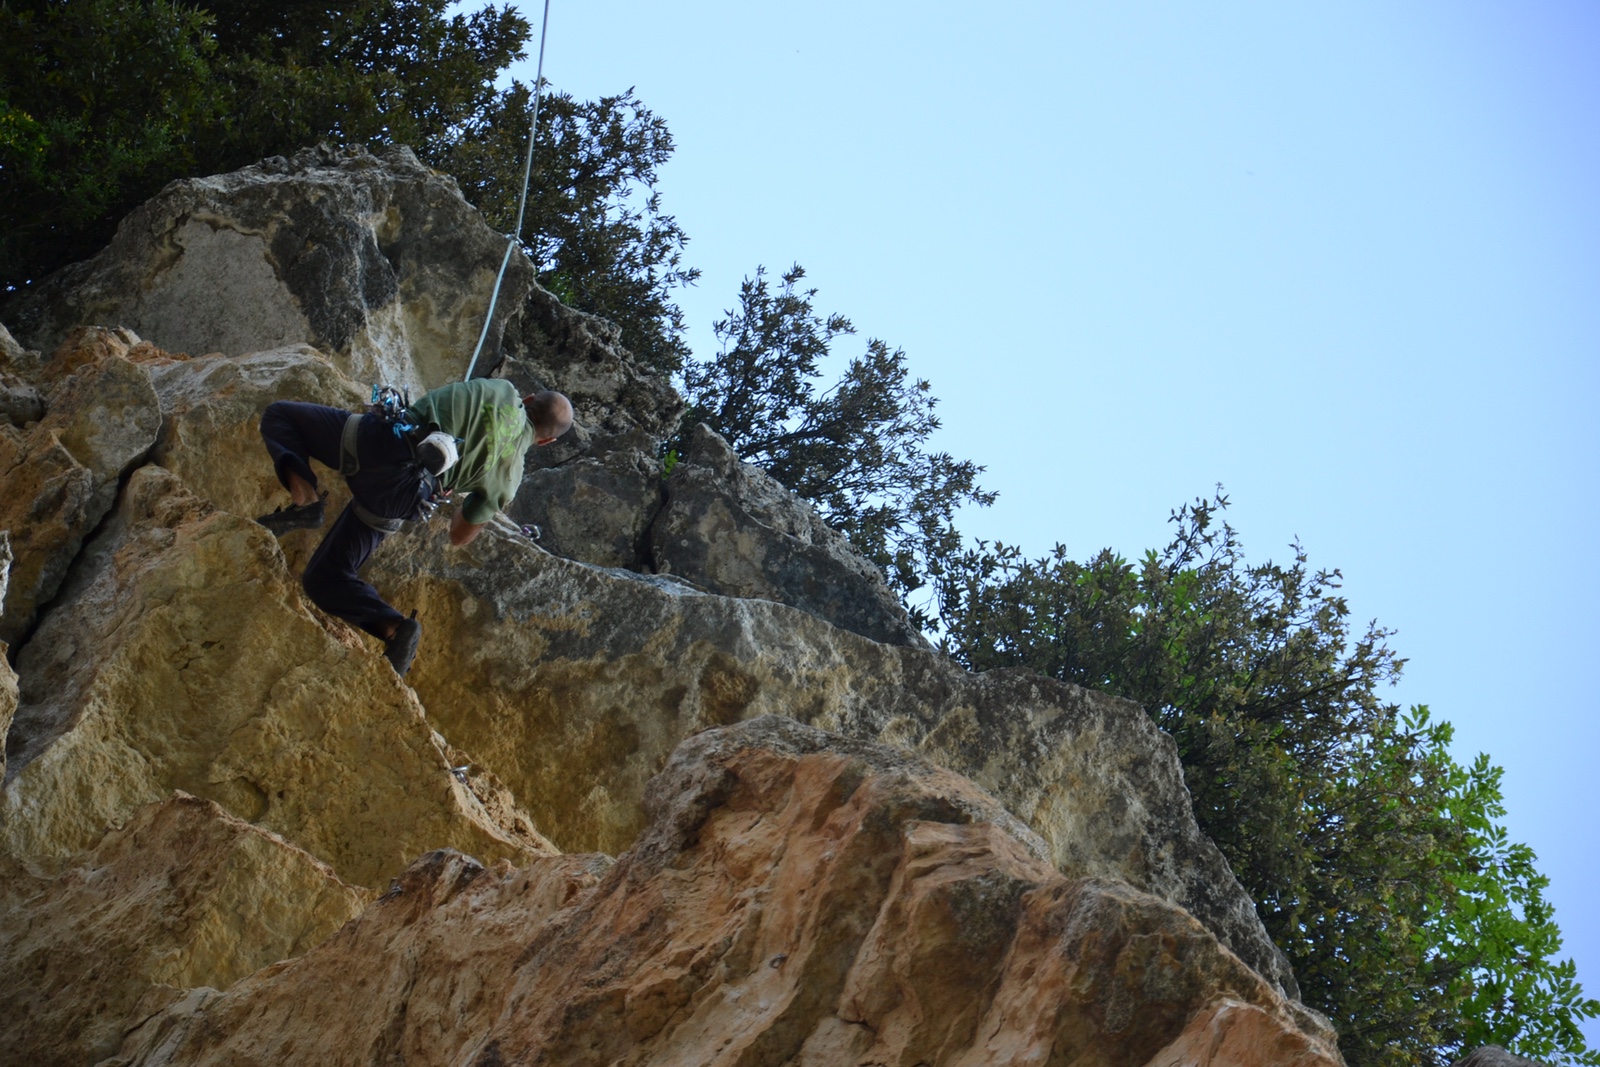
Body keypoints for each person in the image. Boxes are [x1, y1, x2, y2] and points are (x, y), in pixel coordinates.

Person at [255, 379, 573, 675]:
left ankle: (306, 498)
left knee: (280, 416)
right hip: (401, 497)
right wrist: (467, 501)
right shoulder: (511, 477)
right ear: (546, 441)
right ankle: (395, 628)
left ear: (528, 398)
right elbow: (459, 536)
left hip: (383, 441)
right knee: (324, 579)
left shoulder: (502, 389)